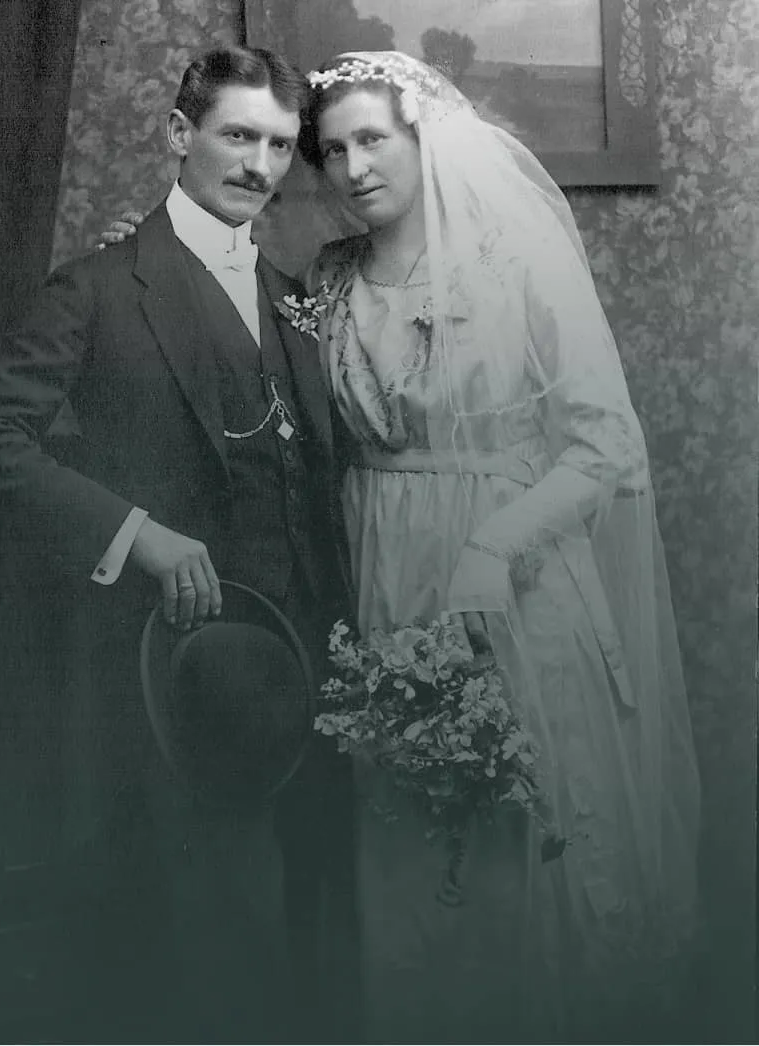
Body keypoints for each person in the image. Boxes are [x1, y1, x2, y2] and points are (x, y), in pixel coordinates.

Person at [107, 48, 702, 1042]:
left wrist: (491, 548)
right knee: (407, 842)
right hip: (380, 579)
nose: (350, 170)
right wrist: (146, 256)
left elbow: (606, 447)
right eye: (330, 151)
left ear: (424, 139)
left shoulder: (516, 266)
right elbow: (225, 325)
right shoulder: (327, 280)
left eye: (372, 140)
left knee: (512, 826)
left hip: (505, 580)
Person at [0, 45, 360, 1043]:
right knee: (195, 961)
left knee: (303, 945)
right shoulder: (96, 288)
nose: (259, 165)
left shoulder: (290, 294)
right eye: (236, 136)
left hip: (305, 663)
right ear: (179, 136)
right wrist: (133, 533)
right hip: (168, 681)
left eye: (276, 145)